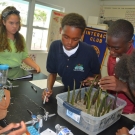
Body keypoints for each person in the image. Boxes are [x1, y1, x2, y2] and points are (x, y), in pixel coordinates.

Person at [42, 13, 101, 102]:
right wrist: (48, 89)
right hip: (66, 91)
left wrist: (95, 82)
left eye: (75, 39)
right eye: (66, 37)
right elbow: (52, 73)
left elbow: (97, 76)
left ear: (81, 36)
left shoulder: (90, 51)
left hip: (86, 95)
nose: (69, 42)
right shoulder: (54, 47)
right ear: (61, 30)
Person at [98, 19, 135, 114]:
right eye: (108, 46)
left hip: (128, 113)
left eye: (116, 48)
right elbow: (114, 84)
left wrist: (124, 87)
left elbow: (121, 86)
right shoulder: (113, 56)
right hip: (111, 106)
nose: (111, 52)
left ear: (129, 43)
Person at [0, 6, 40, 72]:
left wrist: (36, 66)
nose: (15, 26)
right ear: (4, 22)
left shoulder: (20, 38)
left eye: (17, 23)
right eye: (11, 23)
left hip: (17, 71)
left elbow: (24, 57)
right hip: (2, 72)